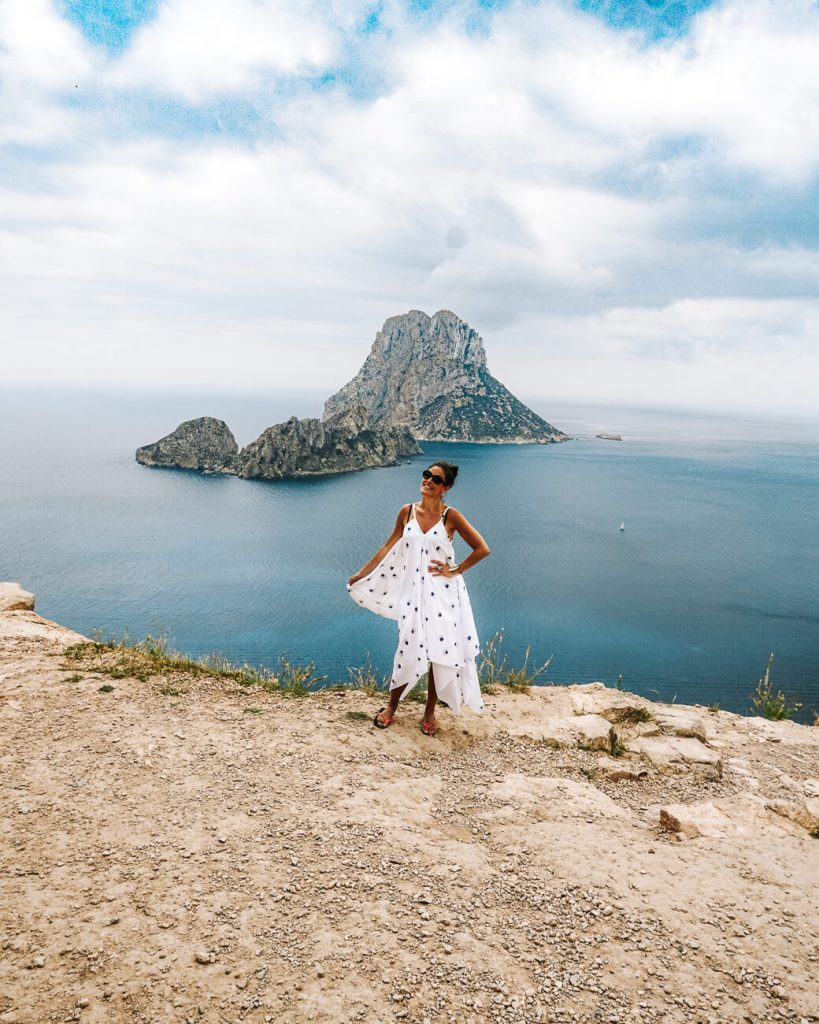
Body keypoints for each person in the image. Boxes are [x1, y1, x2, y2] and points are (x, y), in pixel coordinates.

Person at [347, 461, 490, 735]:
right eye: (426, 475)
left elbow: (482, 549)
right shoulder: (406, 511)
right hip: (414, 595)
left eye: (435, 479)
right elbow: (389, 546)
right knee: (407, 648)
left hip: (444, 596)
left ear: (445, 488)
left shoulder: (451, 516)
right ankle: (391, 706)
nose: (428, 481)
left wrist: (454, 570)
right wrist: (363, 573)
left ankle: (429, 713)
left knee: (439, 654)